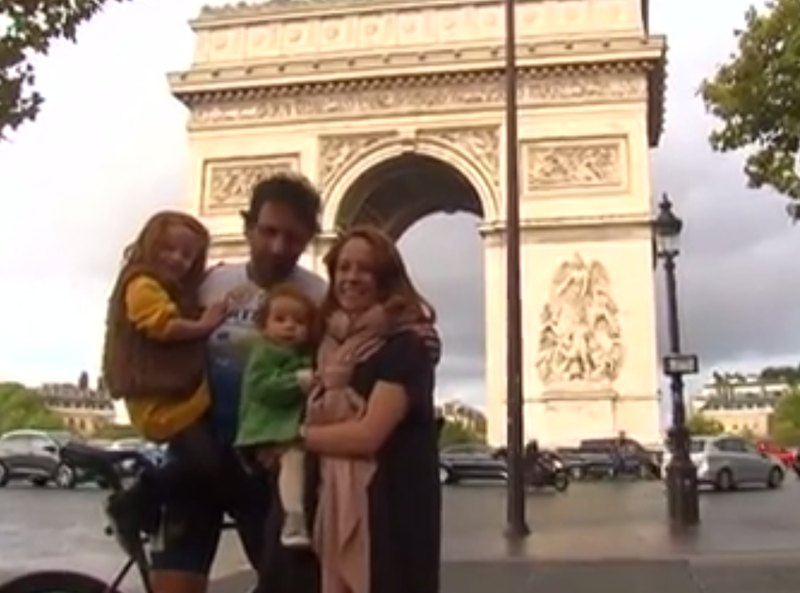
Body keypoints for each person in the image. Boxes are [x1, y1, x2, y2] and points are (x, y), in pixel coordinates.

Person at [148, 173, 327, 593]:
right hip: (197, 451)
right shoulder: (209, 284)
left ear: (309, 240)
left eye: (293, 238)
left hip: (267, 462)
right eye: (268, 232)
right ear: (247, 227)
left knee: (288, 583)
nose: (278, 247)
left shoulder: (319, 297)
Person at [296, 225, 442, 593]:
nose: (351, 278)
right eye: (343, 268)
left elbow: (369, 435)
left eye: (365, 269)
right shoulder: (321, 342)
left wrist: (293, 438)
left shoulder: (407, 347)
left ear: (385, 278)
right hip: (324, 499)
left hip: (389, 511)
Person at [101, 211, 229, 554]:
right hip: (160, 404)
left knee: (200, 463)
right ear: (149, 244)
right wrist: (206, 323)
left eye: (188, 255)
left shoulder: (163, 286)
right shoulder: (141, 284)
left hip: (173, 401)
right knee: (206, 464)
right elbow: (163, 325)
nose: (178, 259)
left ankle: (151, 510)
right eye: (169, 249)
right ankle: (133, 504)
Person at [235, 284, 319, 548]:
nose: (290, 326)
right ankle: (294, 520)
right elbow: (260, 388)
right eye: (280, 319)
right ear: (263, 325)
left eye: (299, 321)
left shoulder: (304, 355)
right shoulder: (264, 353)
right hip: (266, 431)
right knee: (293, 460)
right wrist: (298, 381)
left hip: (283, 428)